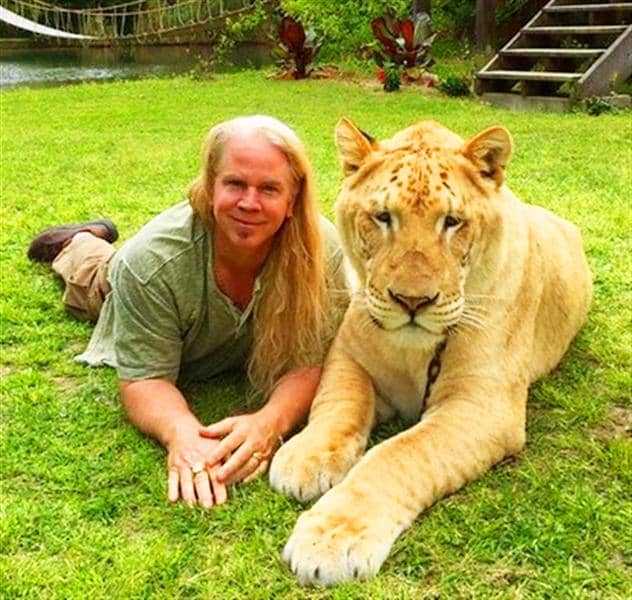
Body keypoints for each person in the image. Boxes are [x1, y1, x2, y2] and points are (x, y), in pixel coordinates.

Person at [28, 115, 348, 509]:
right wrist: (182, 433)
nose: (249, 202)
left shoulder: (323, 250)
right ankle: (76, 241)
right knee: (95, 282)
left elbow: (312, 361)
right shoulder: (150, 264)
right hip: (123, 281)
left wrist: (271, 422)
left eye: (269, 188)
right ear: (210, 184)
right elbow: (145, 378)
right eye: (235, 184)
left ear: (292, 200)